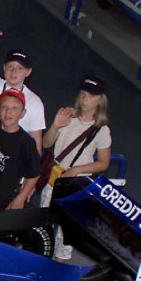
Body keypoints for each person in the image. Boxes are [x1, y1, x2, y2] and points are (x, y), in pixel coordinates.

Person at [41, 75, 111, 261]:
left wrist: (78, 170)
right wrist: (55, 126)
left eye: (90, 95)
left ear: (100, 100)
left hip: (75, 182)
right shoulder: (67, 115)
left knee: (67, 229)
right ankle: (40, 253)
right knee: (43, 220)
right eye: (82, 94)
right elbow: (47, 143)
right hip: (55, 175)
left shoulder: (100, 129)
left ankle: (60, 264)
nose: (85, 99)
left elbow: (104, 162)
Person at [0, 17, 45, 154]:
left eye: (20, 68)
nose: (13, 72)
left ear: (28, 72)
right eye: (10, 66)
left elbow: (36, 145)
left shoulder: (35, 103)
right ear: (4, 67)